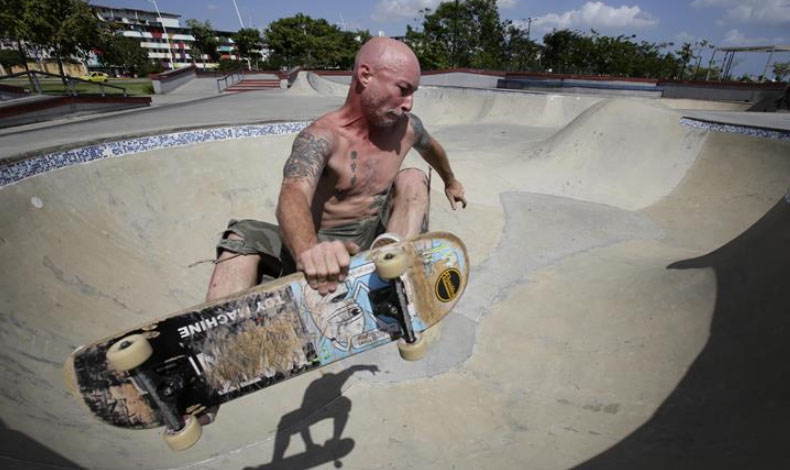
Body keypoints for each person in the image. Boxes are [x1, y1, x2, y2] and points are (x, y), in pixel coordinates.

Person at [206, 36, 466, 300]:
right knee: (241, 238)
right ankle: (217, 330)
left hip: (374, 244)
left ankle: (396, 277)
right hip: (319, 245)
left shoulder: (407, 128)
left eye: (413, 93)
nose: (409, 103)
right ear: (366, 75)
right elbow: (293, 193)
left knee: (413, 177)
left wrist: (451, 181)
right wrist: (309, 250)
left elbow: (432, 149)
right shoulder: (321, 137)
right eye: (403, 89)